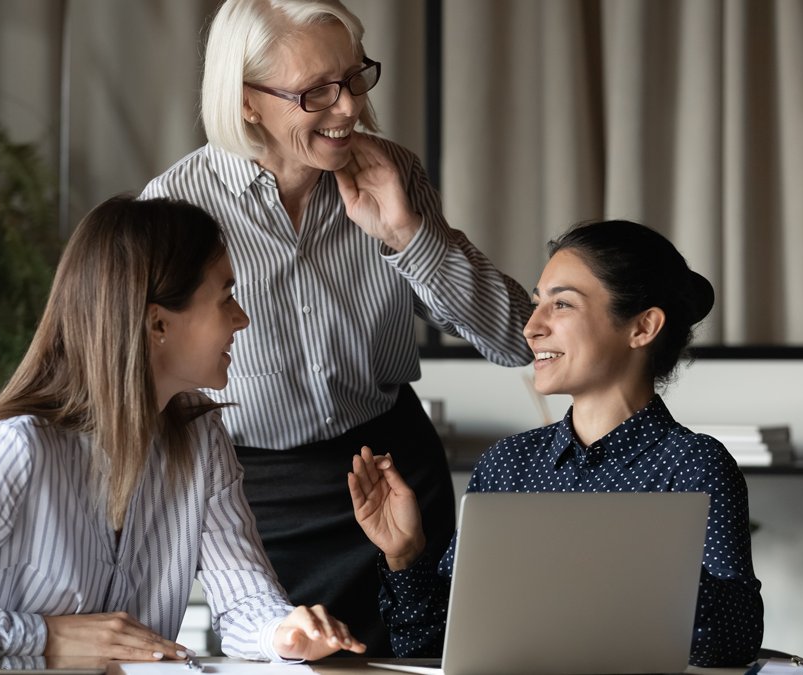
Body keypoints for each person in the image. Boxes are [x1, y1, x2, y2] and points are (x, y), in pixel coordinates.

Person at [139, 0, 533, 655]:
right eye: (316, 91)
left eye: (354, 78)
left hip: (396, 478)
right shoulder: (172, 210)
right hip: (257, 504)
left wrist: (408, 232)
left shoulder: (393, 174)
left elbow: (516, 337)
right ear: (245, 102)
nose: (348, 107)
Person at [0, 196, 366, 663]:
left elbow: (245, 603)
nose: (242, 318)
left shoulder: (202, 440)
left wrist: (284, 633)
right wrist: (45, 638)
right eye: (225, 296)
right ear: (158, 323)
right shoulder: (17, 450)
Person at [349, 219, 765, 667]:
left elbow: (732, 642)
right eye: (535, 304)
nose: (531, 327)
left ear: (643, 327)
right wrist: (406, 554)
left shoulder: (695, 465)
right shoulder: (507, 464)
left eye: (562, 304)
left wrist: (627, 562)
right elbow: (433, 648)